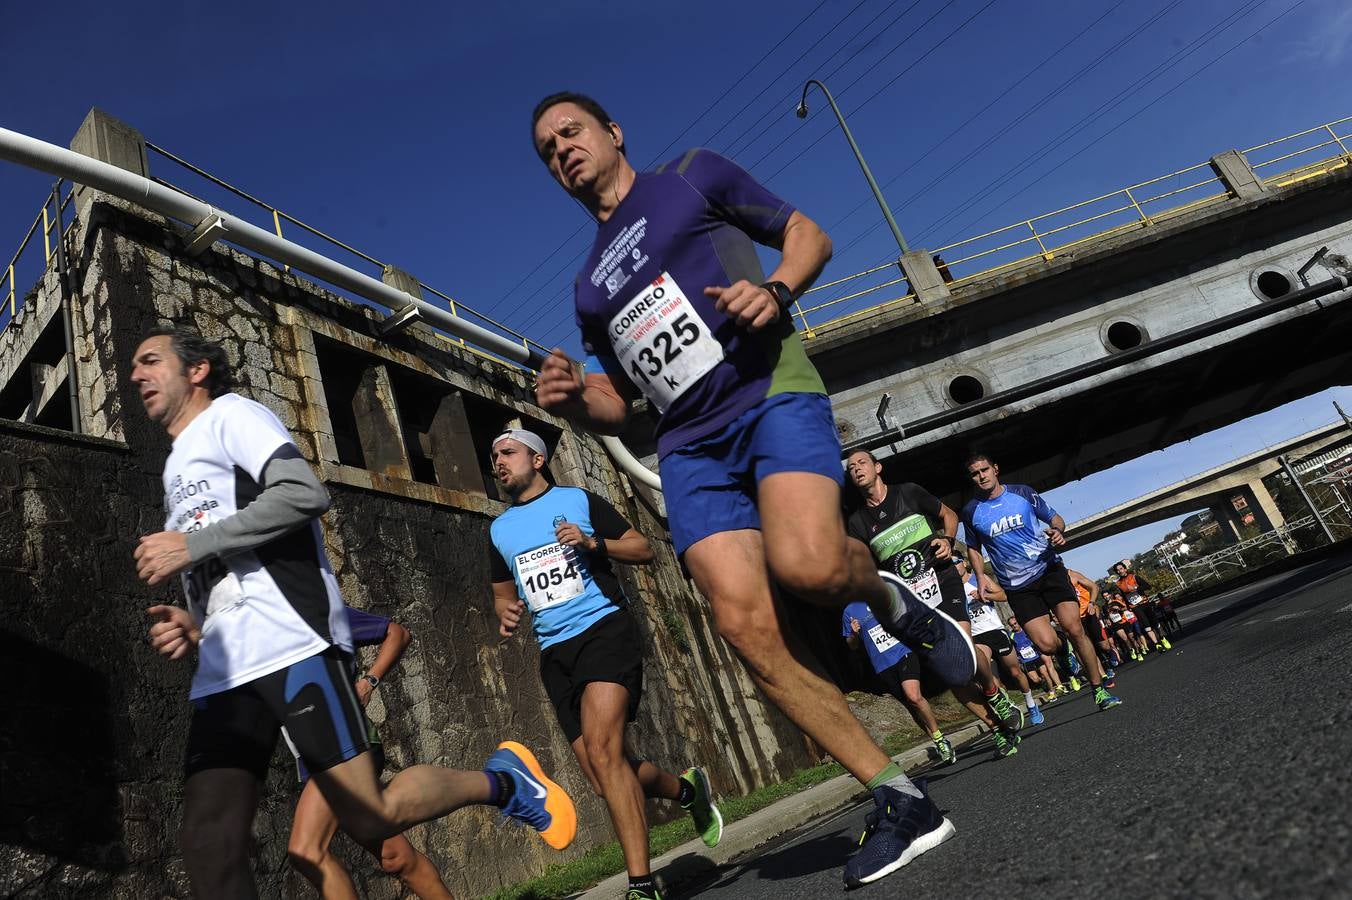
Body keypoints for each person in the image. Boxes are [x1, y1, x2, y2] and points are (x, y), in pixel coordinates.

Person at [528, 92, 972, 888]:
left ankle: (896, 601)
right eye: (547, 148)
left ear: (612, 132)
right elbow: (620, 404)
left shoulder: (690, 178)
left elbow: (807, 233)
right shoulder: (590, 288)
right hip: (688, 447)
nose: (562, 149)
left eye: (572, 131)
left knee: (809, 568)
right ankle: (901, 799)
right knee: (743, 627)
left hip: (769, 392)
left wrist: (778, 289)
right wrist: (573, 397)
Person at [132, 327, 575, 900]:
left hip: (292, 645)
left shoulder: (231, 417)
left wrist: (192, 545)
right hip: (224, 668)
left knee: (372, 818)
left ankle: (502, 782)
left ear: (195, 371)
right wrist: (194, 619)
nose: (137, 373)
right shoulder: (175, 469)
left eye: (151, 360)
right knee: (208, 842)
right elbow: (228, 563)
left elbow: (301, 495)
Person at [488, 429, 722, 900]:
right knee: (601, 776)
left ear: (537, 458)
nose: (497, 461)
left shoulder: (579, 500)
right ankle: (687, 791)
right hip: (555, 653)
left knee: (603, 749)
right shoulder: (497, 530)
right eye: (492, 456)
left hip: (603, 630)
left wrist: (594, 544)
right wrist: (504, 611)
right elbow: (501, 591)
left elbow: (643, 548)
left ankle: (640, 886)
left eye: (507, 452)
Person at [844, 450, 1023, 756]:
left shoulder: (909, 493)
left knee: (963, 646)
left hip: (941, 580)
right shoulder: (857, 523)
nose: (856, 469)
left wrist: (947, 540)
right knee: (949, 670)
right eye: (850, 468)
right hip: (912, 602)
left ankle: (993, 693)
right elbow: (864, 570)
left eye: (861, 463)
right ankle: (996, 728)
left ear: (878, 467)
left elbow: (949, 516)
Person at [285, 606, 454, 900]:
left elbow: (397, 634)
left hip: (346, 744)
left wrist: (368, 682)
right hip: (316, 755)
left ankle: (496, 785)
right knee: (396, 857)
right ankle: (497, 783)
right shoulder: (254, 633)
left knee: (306, 850)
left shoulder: (314, 608)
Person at [961, 452, 1122, 712]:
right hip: (1017, 586)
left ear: (995, 469)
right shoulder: (971, 511)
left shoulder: (1022, 493)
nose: (981, 476)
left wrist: (1058, 531)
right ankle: (1063, 652)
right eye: (975, 474)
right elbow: (973, 548)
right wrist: (980, 577)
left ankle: (1099, 689)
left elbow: (1056, 519)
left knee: (1074, 627)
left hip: (1048, 569)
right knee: (1046, 644)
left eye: (984, 470)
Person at [843, 602, 959, 765]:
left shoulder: (880, 592)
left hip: (904, 651)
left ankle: (940, 739)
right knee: (911, 706)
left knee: (914, 696)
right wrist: (854, 634)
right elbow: (852, 645)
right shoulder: (850, 611)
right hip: (882, 664)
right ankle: (937, 740)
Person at [958, 561, 1044, 726]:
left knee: (1015, 672)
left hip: (995, 631)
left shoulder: (979, 579)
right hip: (976, 636)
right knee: (987, 677)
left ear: (965, 563)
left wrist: (985, 596)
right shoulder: (951, 588)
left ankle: (1031, 704)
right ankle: (1007, 705)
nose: (953, 567)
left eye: (955, 562)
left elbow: (1003, 595)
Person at [1068, 569, 1117, 688]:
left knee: (1103, 645)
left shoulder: (1072, 575)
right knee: (1089, 649)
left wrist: (1091, 602)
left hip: (1088, 613)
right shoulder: (1053, 583)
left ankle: (1110, 652)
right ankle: (1104, 677)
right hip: (1075, 620)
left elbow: (1094, 587)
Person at [1112, 563, 1172, 653]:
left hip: (1145, 603)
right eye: (1118, 570)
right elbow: (1124, 596)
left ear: (1125, 569)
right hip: (1135, 606)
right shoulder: (1119, 583)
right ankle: (1157, 644)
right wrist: (1128, 607)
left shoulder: (1134, 577)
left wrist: (1135, 588)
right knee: (1146, 626)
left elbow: (1148, 586)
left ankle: (1162, 637)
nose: (1120, 571)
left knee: (1155, 623)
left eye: (1121, 569)